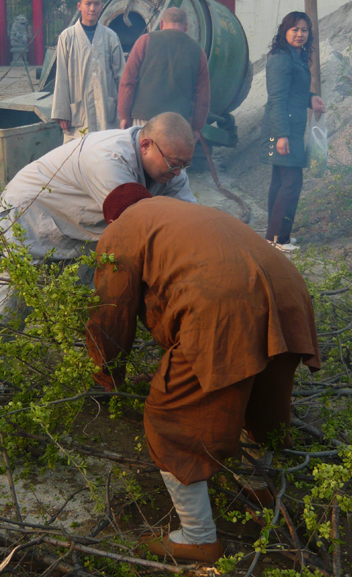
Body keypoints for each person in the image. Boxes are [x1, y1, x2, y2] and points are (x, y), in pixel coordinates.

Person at [86, 184, 320, 564]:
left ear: (112, 217)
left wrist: (107, 372)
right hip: (289, 293)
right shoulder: (180, 214)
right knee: (263, 401)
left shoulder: (121, 228)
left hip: (225, 305)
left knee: (170, 420)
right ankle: (258, 487)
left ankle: (198, 538)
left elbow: (111, 308)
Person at [0, 112, 197, 325]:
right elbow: (138, 228)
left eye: (184, 166)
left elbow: (189, 221)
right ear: (145, 145)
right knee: (7, 312)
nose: (179, 173)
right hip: (27, 221)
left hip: (76, 229)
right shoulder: (108, 157)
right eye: (174, 164)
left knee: (84, 306)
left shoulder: (172, 171)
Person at [261, 12, 325, 253]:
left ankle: (274, 236)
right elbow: (277, 97)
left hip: (292, 126)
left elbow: (294, 92)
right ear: (284, 31)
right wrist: (281, 135)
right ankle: (278, 239)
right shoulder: (280, 59)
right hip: (284, 128)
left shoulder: (296, 56)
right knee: (292, 182)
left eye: (304, 30)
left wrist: (312, 98)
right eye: (295, 30)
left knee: (280, 181)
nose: (300, 34)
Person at [117, 7, 210, 141]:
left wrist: (124, 116)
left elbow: (128, 82)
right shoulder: (198, 52)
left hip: (143, 119)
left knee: (142, 159)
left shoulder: (145, 41)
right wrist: (196, 128)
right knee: (169, 161)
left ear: (161, 24)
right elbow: (202, 97)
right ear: (186, 26)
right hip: (176, 123)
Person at [51, 0, 125, 143]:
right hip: (78, 111)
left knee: (106, 150)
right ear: (79, 6)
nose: (92, 8)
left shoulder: (110, 37)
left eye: (97, 4)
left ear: (101, 6)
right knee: (78, 155)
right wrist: (62, 113)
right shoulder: (67, 37)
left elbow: (121, 75)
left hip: (107, 108)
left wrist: (125, 110)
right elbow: (61, 78)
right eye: (88, 4)